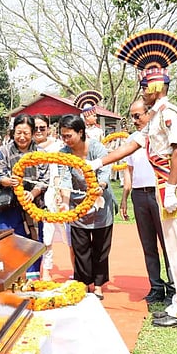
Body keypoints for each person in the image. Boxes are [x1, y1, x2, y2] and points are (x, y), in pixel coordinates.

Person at [92, 28, 177, 328]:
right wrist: (98, 161)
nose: (142, 92)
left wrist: (172, 188)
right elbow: (132, 145)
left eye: (145, 87)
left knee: (176, 246)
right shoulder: (154, 117)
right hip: (163, 184)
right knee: (171, 246)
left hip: (168, 184)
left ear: (157, 85)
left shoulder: (169, 113)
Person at [120, 100, 175, 305]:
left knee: (167, 243)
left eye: (138, 116)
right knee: (148, 244)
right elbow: (129, 170)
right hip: (139, 195)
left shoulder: (161, 136)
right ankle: (156, 287)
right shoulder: (132, 140)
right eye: (132, 116)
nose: (134, 120)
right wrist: (125, 198)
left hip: (159, 193)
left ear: (149, 114)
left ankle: (173, 288)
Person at [58, 114, 114, 299]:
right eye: (63, 136)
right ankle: (84, 283)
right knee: (80, 247)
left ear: (80, 132)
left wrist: (100, 187)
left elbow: (105, 171)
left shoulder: (97, 148)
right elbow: (65, 179)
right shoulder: (64, 153)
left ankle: (98, 285)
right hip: (77, 205)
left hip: (100, 202)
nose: (65, 140)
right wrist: (65, 203)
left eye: (69, 136)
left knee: (100, 248)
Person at [0, 114, 48, 280]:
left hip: (33, 204)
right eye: (18, 133)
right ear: (13, 132)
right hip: (9, 204)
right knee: (8, 240)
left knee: (33, 240)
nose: (22, 137)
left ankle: (32, 278)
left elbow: (44, 180)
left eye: (26, 133)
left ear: (32, 133)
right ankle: (11, 278)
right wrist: (9, 182)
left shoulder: (40, 153)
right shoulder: (4, 150)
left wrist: (32, 193)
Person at [33, 115, 66, 281]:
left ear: (48, 129)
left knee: (48, 232)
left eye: (42, 128)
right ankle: (30, 270)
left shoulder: (58, 146)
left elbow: (61, 170)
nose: (39, 131)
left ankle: (46, 269)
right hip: (31, 192)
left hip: (51, 192)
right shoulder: (28, 146)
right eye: (35, 128)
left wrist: (60, 191)